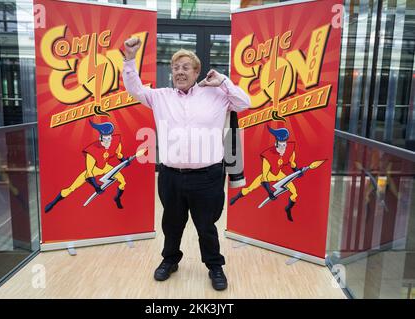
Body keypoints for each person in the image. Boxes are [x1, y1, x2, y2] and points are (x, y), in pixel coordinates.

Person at [122, 37, 250, 291]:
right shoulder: (160, 97)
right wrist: (129, 58)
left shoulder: (217, 94)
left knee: (206, 226)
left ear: (196, 71)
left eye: (185, 67)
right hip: (171, 176)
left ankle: (215, 266)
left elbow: (245, 103)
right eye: (175, 67)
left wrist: (224, 82)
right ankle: (169, 261)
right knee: (171, 224)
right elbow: (134, 89)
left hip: (208, 176)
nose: (180, 72)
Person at [44, 121, 129, 213]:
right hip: (93, 170)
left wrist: (124, 161)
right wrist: (96, 187)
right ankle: (53, 203)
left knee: (123, 182)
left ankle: (117, 198)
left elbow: (118, 154)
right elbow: (89, 173)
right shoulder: (92, 151)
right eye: (105, 138)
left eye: (110, 138)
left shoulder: (115, 142)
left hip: (106, 167)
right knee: (72, 188)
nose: (108, 141)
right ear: (100, 137)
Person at [229, 126, 303, 221]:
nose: (282, 148)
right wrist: (270, 192)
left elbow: (292, 164)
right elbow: (264, 177)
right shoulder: (268, 156)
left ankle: (288, 208)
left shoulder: (290, 150)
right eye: (280, 145)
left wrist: (297, 172)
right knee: (250, 188)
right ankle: (235, 198)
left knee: (295, 193)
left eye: (284, 145)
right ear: (275, 143)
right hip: (268, 175)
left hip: (279, 175)